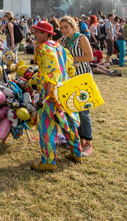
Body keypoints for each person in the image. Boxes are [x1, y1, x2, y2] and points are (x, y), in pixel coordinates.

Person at [29, 21, 82, 172]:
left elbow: (52, 71)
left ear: (45, 34)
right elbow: (70, 68)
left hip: (50, 93)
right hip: (64, 90)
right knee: (68, 122)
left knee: (47, 126)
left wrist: (47, 93)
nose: (35, 34)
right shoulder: (59, 47)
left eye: (38, 32)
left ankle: (48, 161)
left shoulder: (44, 48)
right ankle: (76, 153)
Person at [59, 16, 94, 156]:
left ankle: (88, 143)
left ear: (73, 26)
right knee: (72, 111)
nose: (64, 30)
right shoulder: (63, 41)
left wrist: (71, 59)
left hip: (82, 78)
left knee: (83, 112)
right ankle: (78, 140)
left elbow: (89, 57)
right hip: (69, 79)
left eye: (66, 27)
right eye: (61, 28)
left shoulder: (81, 38)